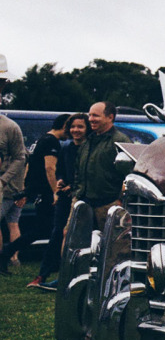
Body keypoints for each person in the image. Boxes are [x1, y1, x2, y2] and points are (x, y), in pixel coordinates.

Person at [0, 113, 66, 286]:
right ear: (65, 125)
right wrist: (55, 192)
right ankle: (47, 267)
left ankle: (7, 253)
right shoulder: (51, 142)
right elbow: (49, 168)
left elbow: (30, 164)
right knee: (49, 231)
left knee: (40, 231)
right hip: (46, 194)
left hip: (36, 191)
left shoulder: (43, 139)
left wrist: (27, 190)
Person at [39, 113, 89, 289]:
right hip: (65, 197)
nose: (76, 130)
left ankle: (71, 276)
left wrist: (72, 186)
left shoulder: (88, 148)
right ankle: (50, 273)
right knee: (58, 233)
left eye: (80, 127)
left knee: (76, 237)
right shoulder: (66, 147)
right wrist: (60, 181)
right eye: (73, 127)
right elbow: (60, 170)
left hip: (81, 197)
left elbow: (86, 175)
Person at [74, 102, 125, 229]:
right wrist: (76, 192)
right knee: (72, 240)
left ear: (110, 117)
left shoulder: (120, 141)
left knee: (112, 244)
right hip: (83, 202)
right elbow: (78, 169)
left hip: (108, 205)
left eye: (96, 115)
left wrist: (120, 201)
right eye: (90, 115)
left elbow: (129, 174)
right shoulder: (87, 141)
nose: (91, 119)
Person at [0, 55, 27, 274]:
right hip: (11, 187)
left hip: (8, 188)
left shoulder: (10, 127)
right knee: (11, 223)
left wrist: (4, 181)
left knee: (11, 223)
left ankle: (10, 260)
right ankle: (9, 260)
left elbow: (21, 157)